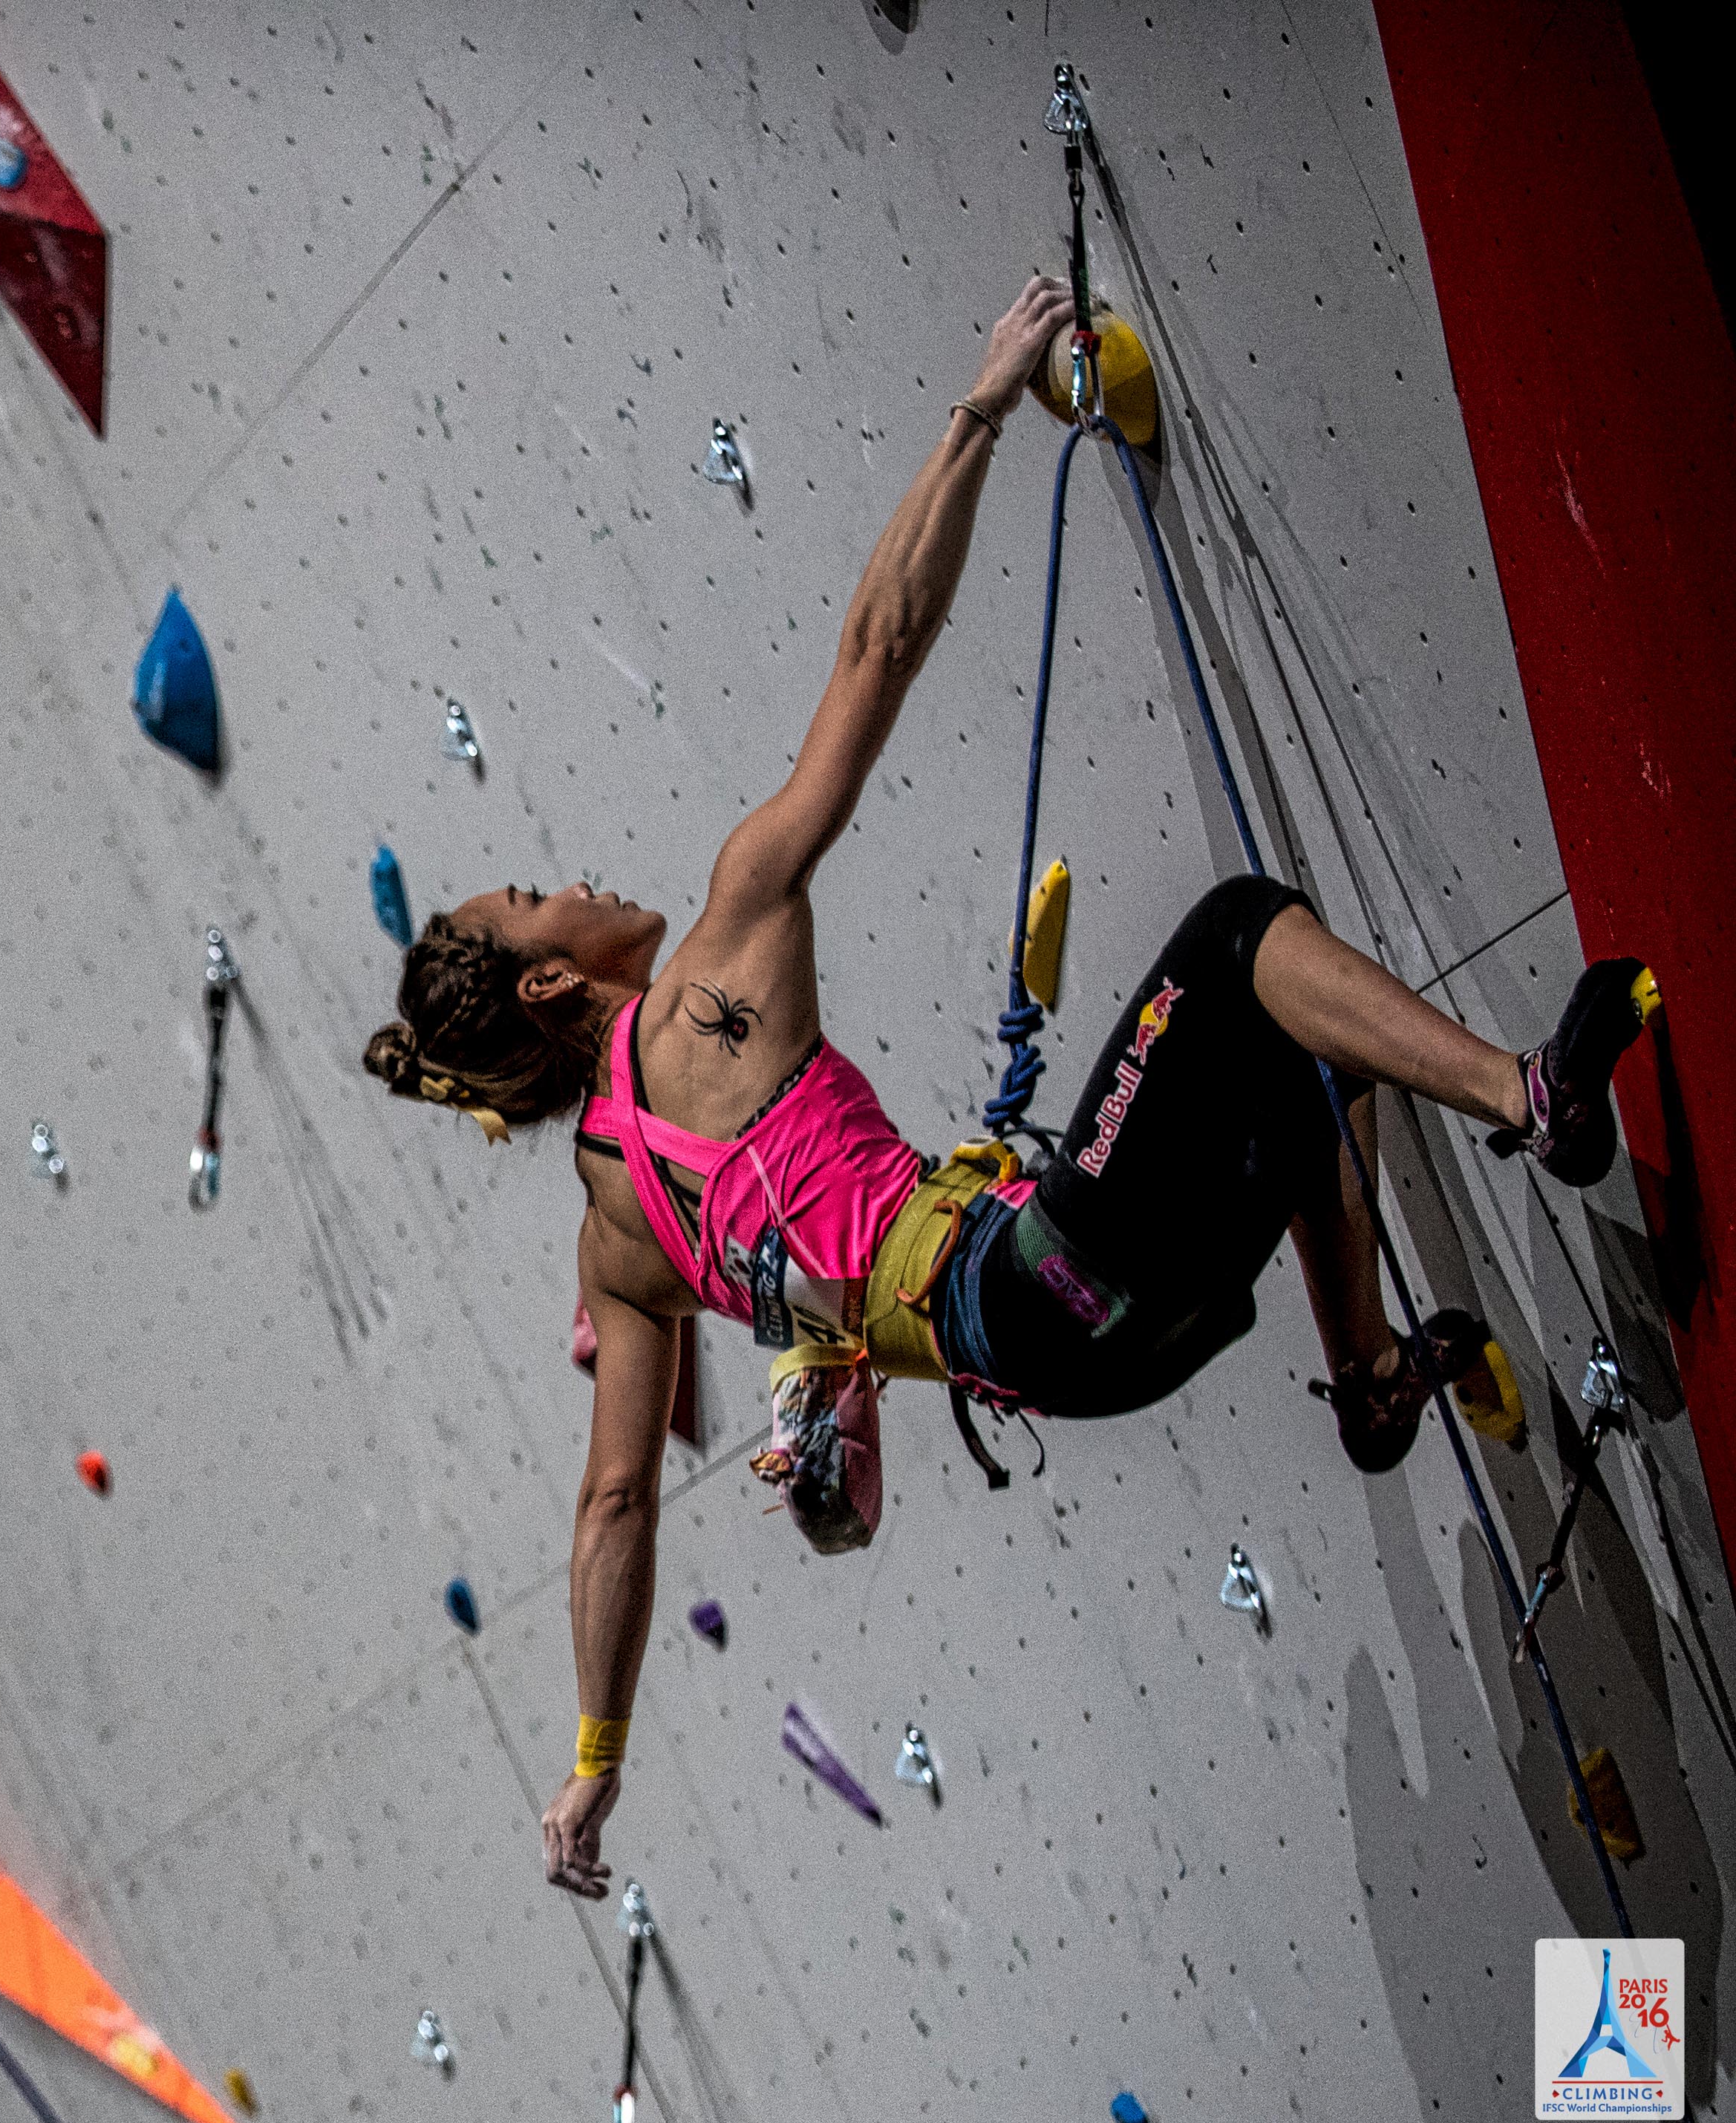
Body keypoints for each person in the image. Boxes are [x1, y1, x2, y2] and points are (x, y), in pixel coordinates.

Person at [356, 275, 1659, 1899]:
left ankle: (1373, 1376)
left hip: (1082, 1362)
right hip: (1037, 1278)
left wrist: (592, 1767)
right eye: (529, 895)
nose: (562, 881)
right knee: (1246, 933)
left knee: (1303, 1049)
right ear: (551, 979)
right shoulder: (718, 947)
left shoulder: (615, 1225)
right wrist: (980, 408)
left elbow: (616, 1498)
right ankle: (1531, 1100)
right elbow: (877, 651)